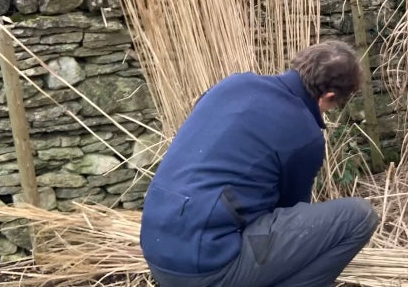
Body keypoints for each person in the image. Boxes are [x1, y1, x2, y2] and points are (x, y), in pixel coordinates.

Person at [140, 40, 378, 287]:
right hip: (206, 269)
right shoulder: (305, 134)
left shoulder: (233, 84)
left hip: (157, 250)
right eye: (333, 105)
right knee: (360, 217)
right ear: (327, 97)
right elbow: (290, 211)